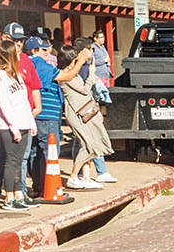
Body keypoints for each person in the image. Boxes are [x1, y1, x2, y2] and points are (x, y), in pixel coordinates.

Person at [55, 42, 114, 188]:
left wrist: (96, 109)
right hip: (76, 114)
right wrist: (91, 75)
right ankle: (74, 176)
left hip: (85, 111)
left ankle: (86, 177)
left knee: (88, 143)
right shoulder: (65, 75)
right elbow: (83, 89)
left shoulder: (72, 73)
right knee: (88, 144)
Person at [0, 42, 37, 211]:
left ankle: (18, 194)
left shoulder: (16, 75)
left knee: (18, 162)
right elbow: (2, 103)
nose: (19, 53)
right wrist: (13, 127)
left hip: (23, 122)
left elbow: (24, 101)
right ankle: (8, 197)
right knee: (11, 161)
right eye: (15, 50)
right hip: (7, 126)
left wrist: (31, 121)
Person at [23, 36, 71, 202]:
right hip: (46, 116)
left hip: (33, 115)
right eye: (44, 50)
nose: (47, 53)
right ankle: (49, 188)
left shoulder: (24, 64)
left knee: (34, 152)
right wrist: (81, 61)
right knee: (50, 152)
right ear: (35, 51)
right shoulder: (40, 65)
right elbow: (67, 75)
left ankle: (38, 187)